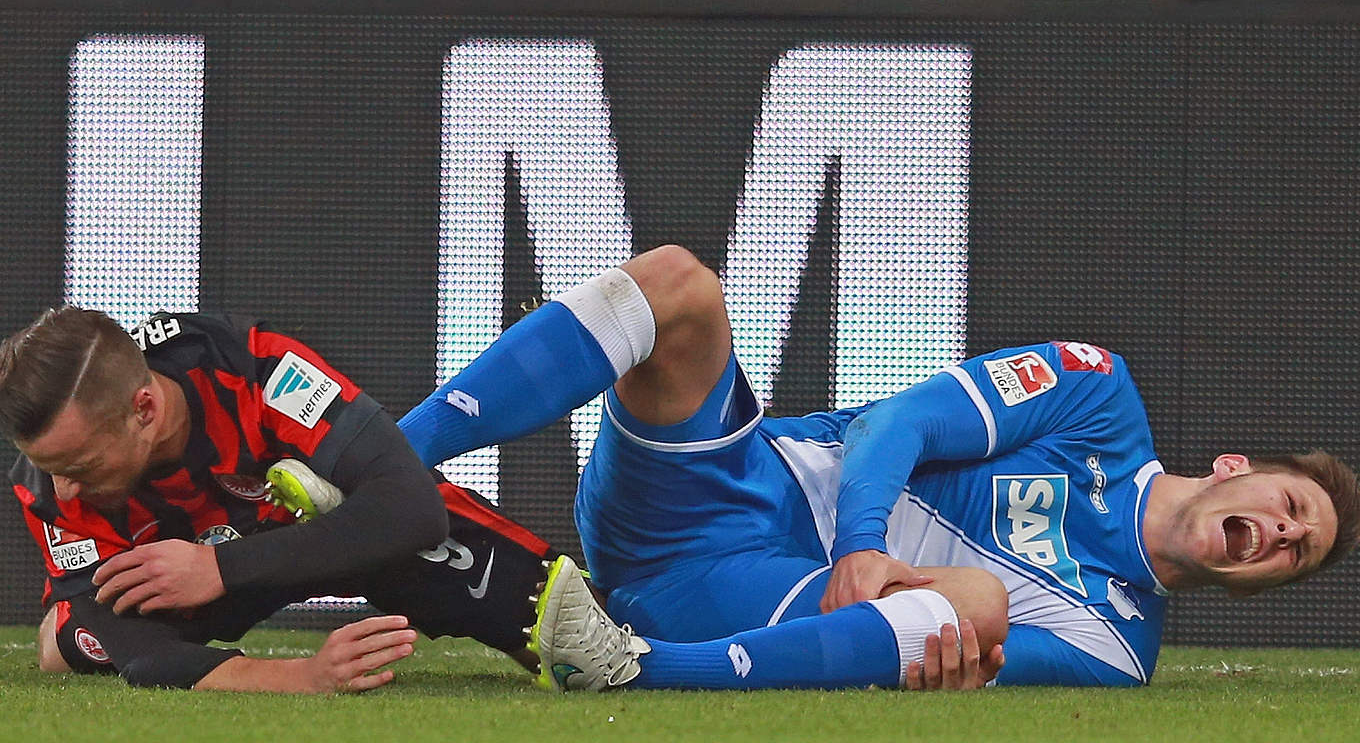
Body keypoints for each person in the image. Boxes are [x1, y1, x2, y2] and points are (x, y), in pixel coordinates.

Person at [396, 244, 1360, 691]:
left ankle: (632, 670)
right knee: (681, 286)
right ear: (1233, 466)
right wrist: (862, 540)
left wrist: (927, 648)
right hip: (725, 484)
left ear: (1260, 583)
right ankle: (382, 462)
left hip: (755, 608)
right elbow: (901, 421)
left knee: (976, 608)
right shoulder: (1101, 396)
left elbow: (962, 664)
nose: (1280, 533)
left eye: (1295, 551)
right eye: (1288, 507)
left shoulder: (1117, 652)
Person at [2, 307, 555, 692]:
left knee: (559, 629)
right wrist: (300, 676)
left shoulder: (257, 368)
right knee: (83, 639)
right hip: (180, 573)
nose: (66, 489)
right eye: (53, 470)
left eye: (80, 468)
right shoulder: (49, 479)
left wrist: (221, 565)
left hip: (322, 535)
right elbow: (123, 636)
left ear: (144, 410)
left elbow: (411, 507)